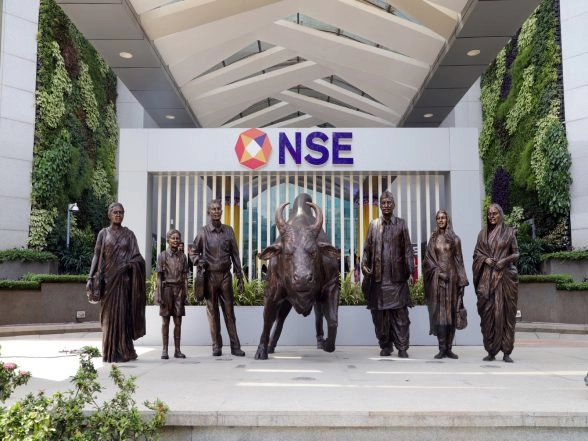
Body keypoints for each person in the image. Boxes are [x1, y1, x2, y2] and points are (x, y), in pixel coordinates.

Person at [87, 202, 146, 363]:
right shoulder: (103, 233)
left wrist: (128, 265)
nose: (118, 215)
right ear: (109, 214)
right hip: (108, 281)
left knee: (123, 316)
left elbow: (138, 258)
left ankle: (125, 350)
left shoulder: (129, 235)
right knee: (108, 318)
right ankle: (109, 351)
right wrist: (90, 277)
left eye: (121, 212)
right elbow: (96, 255)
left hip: (124, 282)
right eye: (115, 212)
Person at [361, 191, 414, 358]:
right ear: (380, 205)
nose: (386, 205)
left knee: (400, 316)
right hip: (378, 280)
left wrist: (410, 270)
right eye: (383, 203)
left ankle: (402, 346)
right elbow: (367, 250)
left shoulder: (401, 224)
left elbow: (408, 249)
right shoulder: (373, 225)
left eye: (389, 202)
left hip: (397, 279)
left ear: (394, 205)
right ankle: (385, 345)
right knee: (380, 317)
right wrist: (364, 265)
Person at [190, 199, 246, 357]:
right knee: (212, 312)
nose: (216, 211)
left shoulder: (229, 231)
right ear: (209, 212)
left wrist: (240, 277)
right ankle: (216, 345)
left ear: (221, 211)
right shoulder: (203, 232)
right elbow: (193, 252)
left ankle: (235, 346)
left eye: (218, 209)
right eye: (213, 209)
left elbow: (235, 254)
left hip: (225, 276)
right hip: (209, 276)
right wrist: (198, 260)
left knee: (229, 312)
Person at [473, 203, 520, 363]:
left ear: (500, 214)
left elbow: (516, 254)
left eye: (495, 213)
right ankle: (491, 350)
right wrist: (485, 259)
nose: (492, 216)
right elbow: (477, 253)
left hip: (505, 278)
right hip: (487, 280)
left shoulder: (509, 232)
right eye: (489, 214)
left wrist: (504, 261)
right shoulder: (482, 234)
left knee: (506, 314)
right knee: (488, 315)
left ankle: (507, 350)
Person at [423, 210, 469, 359]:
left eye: (443, 218)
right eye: (438, 218)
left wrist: (462, 282)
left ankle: (449, 348)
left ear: (448, 220)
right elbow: (427, 261)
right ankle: (441, 348)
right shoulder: (433, 239)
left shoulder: (455, 239)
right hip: (437, 282)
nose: (440, 220)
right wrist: (439, 273)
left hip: (452, 281)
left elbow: (459, 261)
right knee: (440, 315)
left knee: (451, 314)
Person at [155, 229, 189, 359]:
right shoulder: (162, 256)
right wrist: (159, 294)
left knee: (178, 321)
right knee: (165, 321)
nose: (175, 240)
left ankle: (177, 350)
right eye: (173, 238)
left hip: (179, 290)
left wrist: (186, 294)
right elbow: (159, 277)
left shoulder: (183, 257)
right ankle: (164, 350)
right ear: (168, 240)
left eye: (177, 238)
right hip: (166, 290)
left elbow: (185, 277)